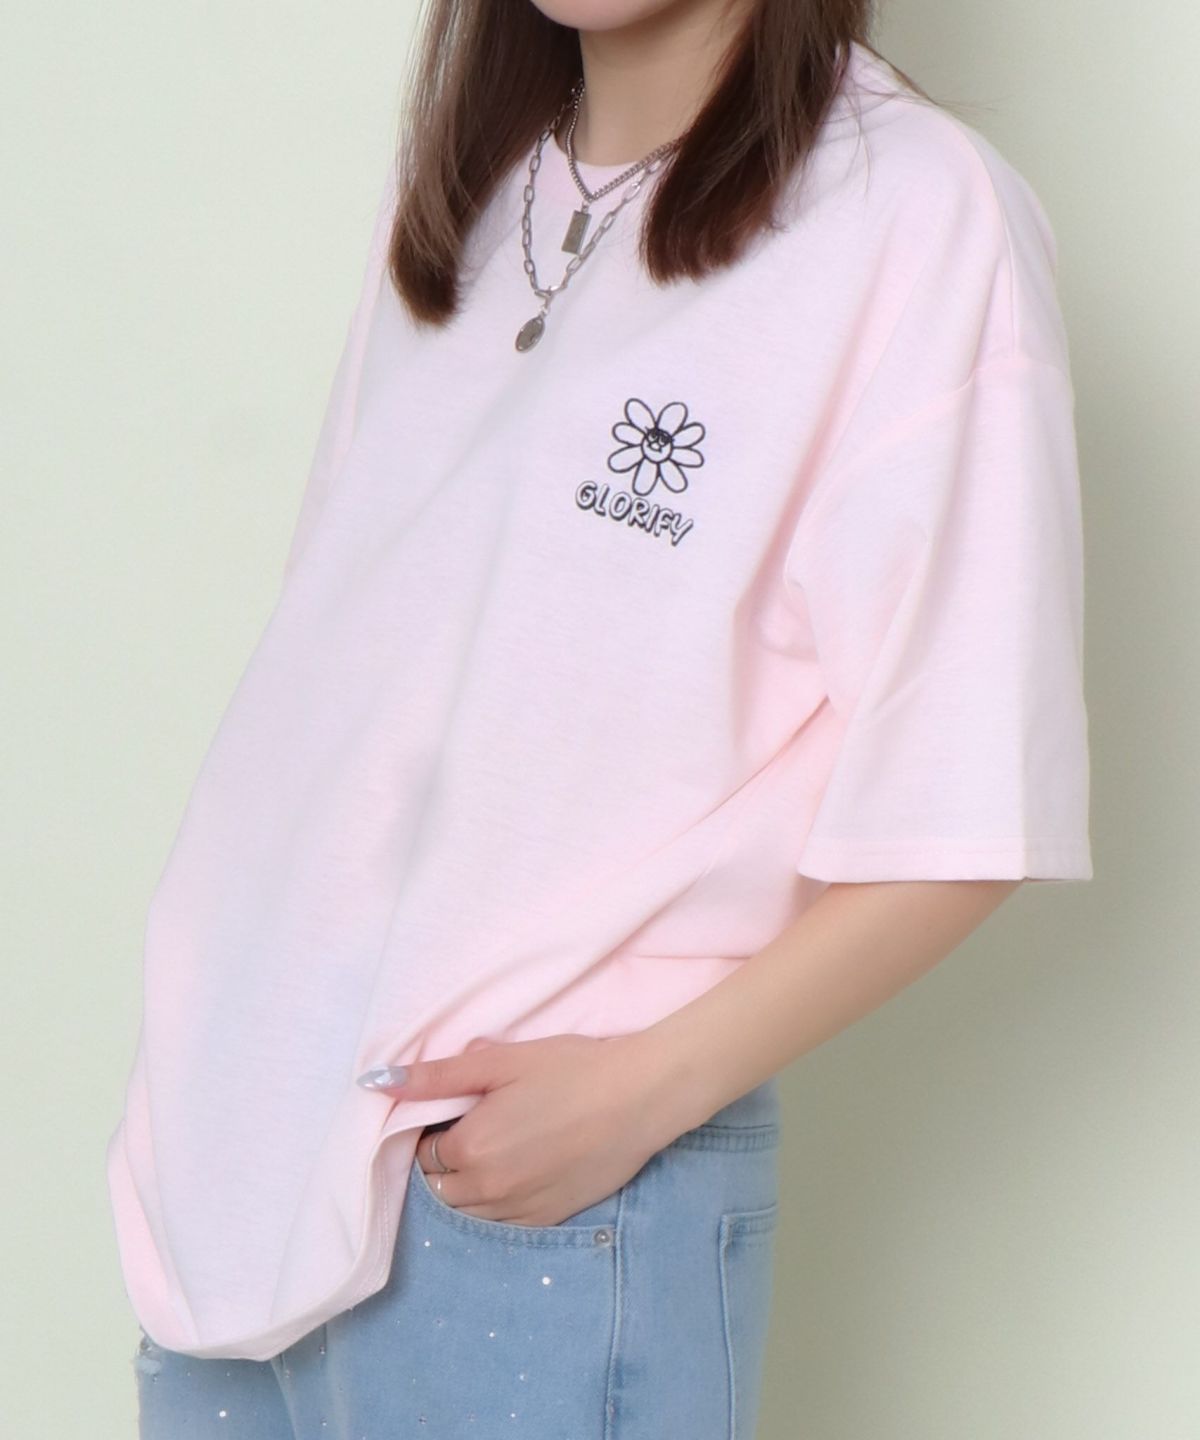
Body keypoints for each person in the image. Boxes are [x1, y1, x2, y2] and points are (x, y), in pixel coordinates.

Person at [108, 0, 1094, 1434]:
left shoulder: (915, 212)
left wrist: (638, 1095)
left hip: (534, 1202)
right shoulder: (468, 190)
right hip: (233, 1171)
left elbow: (970, 808)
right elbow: (339, 675)